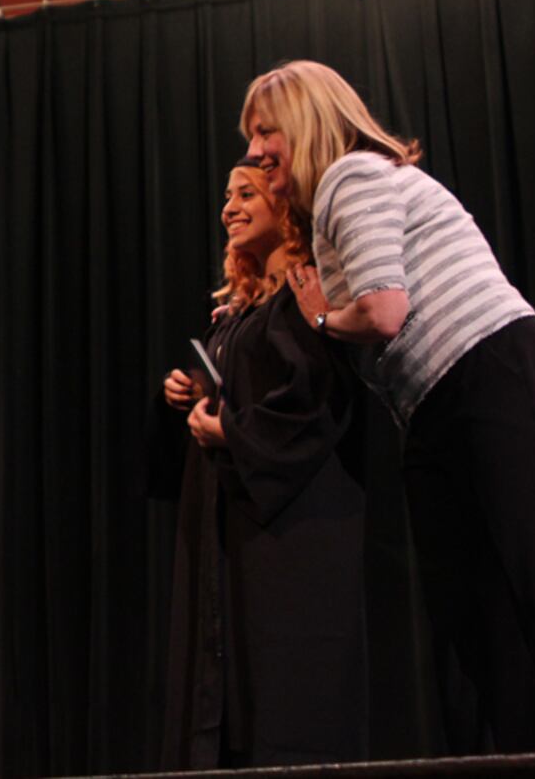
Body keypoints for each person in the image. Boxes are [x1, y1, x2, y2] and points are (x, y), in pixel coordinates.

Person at [241, 60, 535, 753]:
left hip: (489, 370)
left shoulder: (353, 176)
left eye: (266, 131)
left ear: (306, 123)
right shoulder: (332, 206)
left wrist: (322, 319)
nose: (255, 151)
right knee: (474, 613)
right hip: (439, 405)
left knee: (528, 574)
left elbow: (383, 312)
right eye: (250, 136)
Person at [158, 159, 367, 768]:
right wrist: (192, 391)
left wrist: (233, 431)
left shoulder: (309, 295)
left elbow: (316, 402)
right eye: (226, 196)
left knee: (281, 700)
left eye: (246, 193)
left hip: (290, 539)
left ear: (286, 202)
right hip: (232, 534)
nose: (228, 207)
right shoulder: (240, 312)